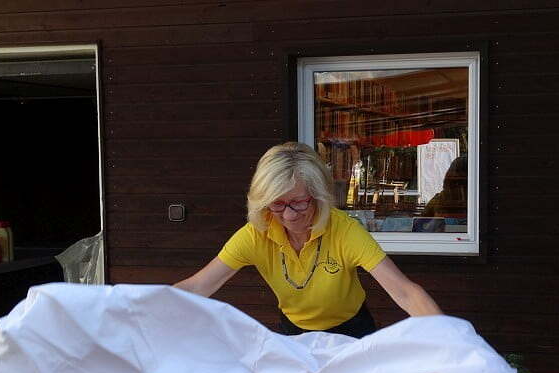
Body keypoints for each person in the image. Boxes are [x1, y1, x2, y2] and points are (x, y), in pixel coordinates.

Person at [174, 141, 442, 337]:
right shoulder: (256, 233)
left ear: (318, 197)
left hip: (352, 331)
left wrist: (450, 338)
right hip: (294, 332)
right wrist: (151, 306)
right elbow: (198, 286)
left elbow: (404, 292)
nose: (289, 215)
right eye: (277, 204)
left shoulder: (345, 230)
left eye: (299, 202)